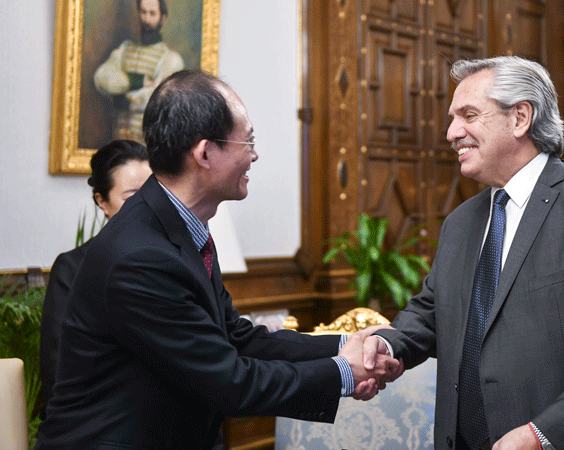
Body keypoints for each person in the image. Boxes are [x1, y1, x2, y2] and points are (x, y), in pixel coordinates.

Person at [35, 70, 401, 449]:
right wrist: (344, 372)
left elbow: (235, 337)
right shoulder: (141, 255)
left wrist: (344, 343)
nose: (254, 154)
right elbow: (229, 383)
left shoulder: (176, 227)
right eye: (248, 141)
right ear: (205, 153)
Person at [364, 56, 564, 450]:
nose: (452, 132)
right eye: (453, 119)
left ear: (520, 118)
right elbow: (432, 311)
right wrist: (389, 344)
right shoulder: (460, 222)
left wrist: (544, 435)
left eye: (468, 115)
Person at [39, 140, 151, 420]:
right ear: (102, 202)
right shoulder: (72, 269)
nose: (148, 205)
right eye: (132, 196)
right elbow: (58, 369)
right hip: (102, 423)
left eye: (154, 193)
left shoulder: (177, 258)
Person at [94, 0, 184, 143]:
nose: (146, 19)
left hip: (148, 144)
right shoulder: (125, 49)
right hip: (118, 141)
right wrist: (137, 80)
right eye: (143, 12)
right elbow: (101, 79)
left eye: (152, 13)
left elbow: (157, 98)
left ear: (162, 18)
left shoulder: (171, 59)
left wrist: (124, 100)